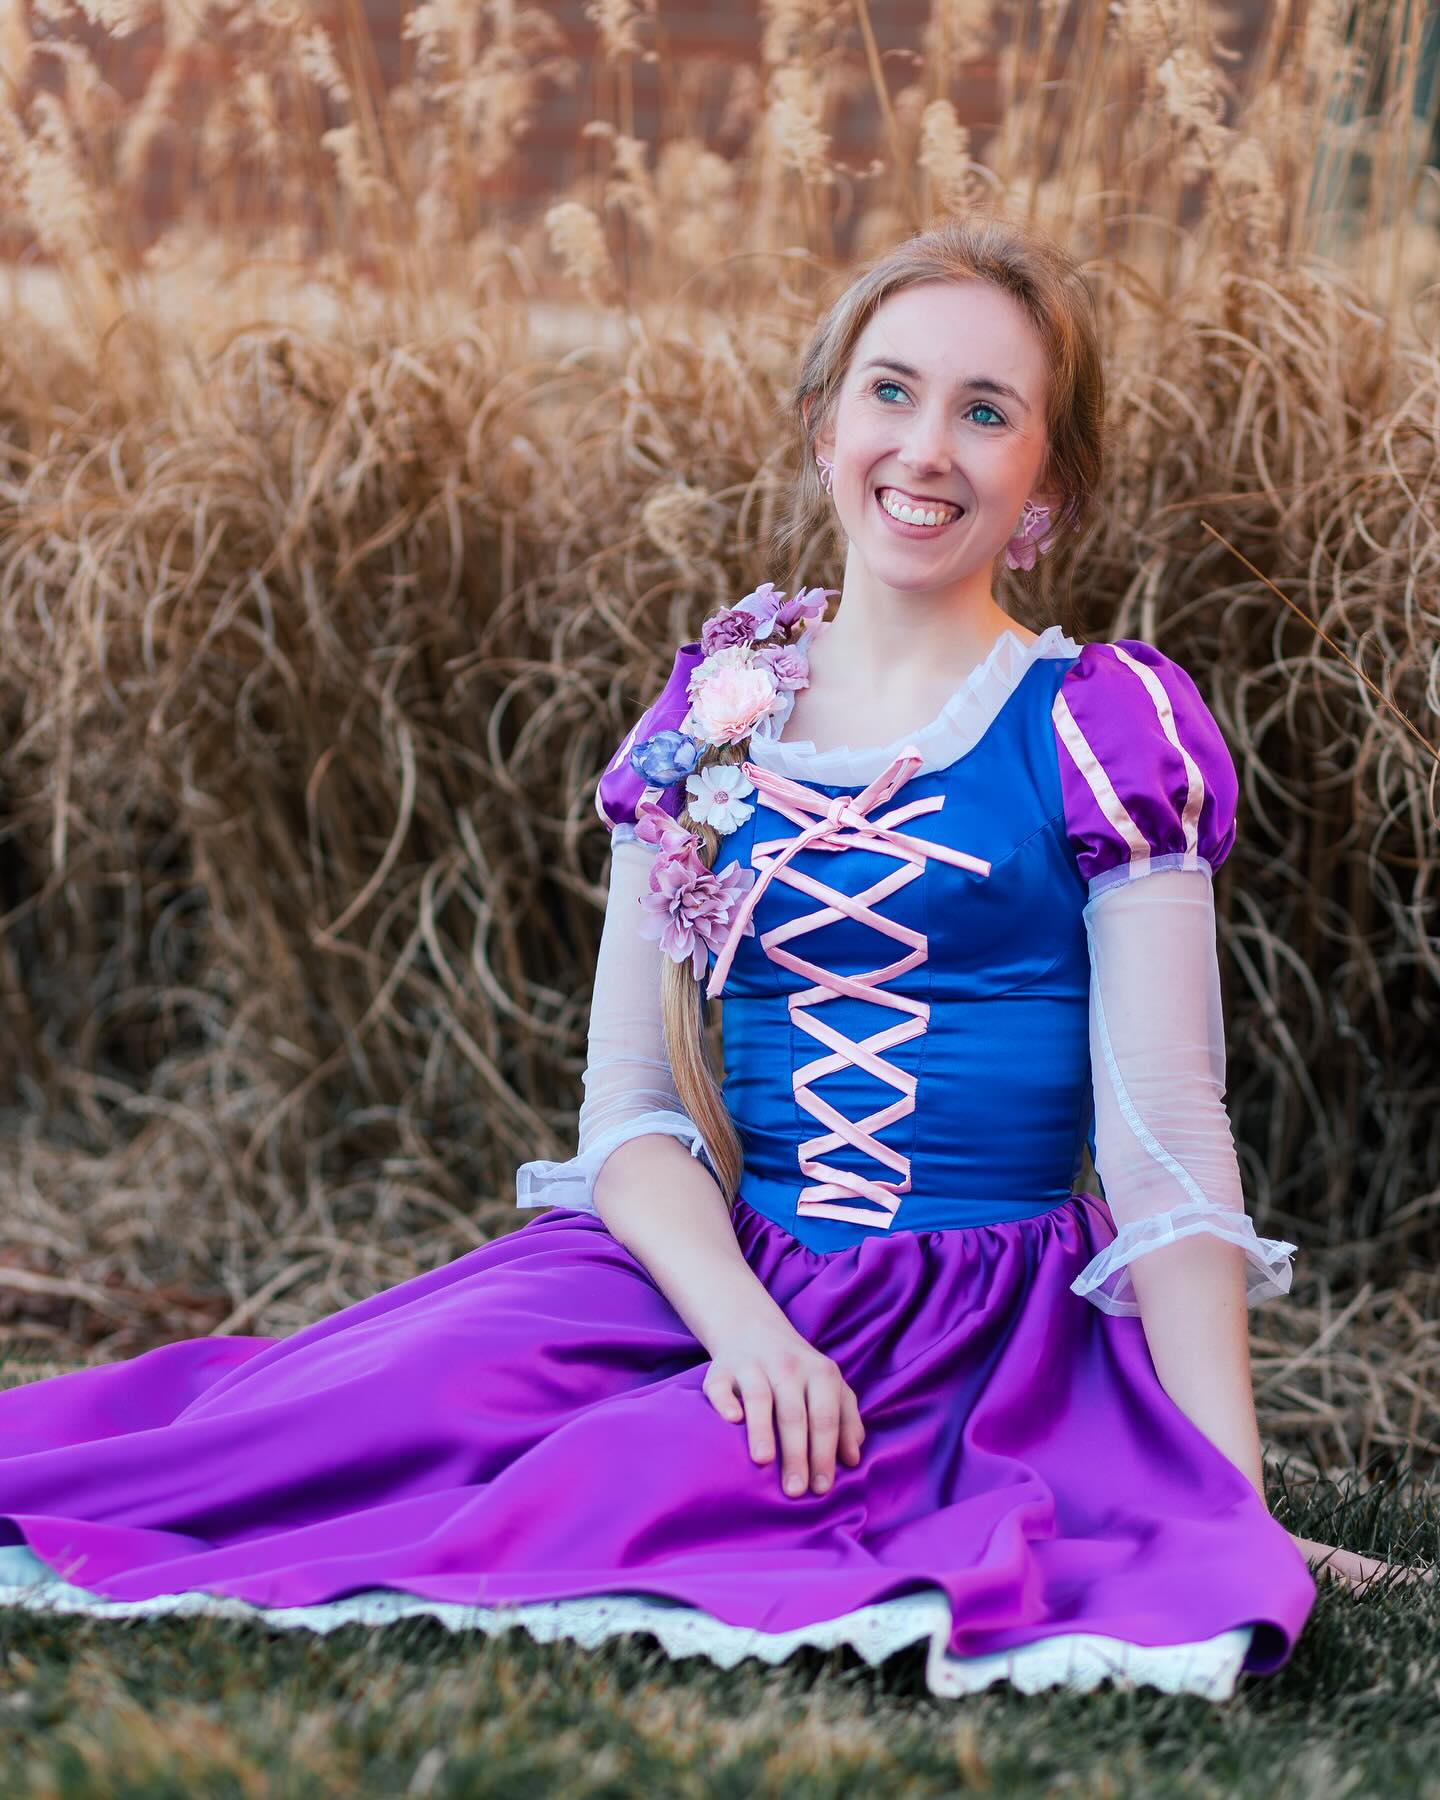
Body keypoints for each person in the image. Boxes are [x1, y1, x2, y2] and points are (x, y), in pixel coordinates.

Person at [0, 217, 1414, 1700]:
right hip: (706, 1276)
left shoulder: (1100, 727)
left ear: (1044, 486)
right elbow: (632, 1109)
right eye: (891, 391)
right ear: (822, 429)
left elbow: (1168, 1143)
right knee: (332, 1432)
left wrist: (1231, 1501)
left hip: (973, 1316)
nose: (927, 448)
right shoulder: (712, 719)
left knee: (668, 1492)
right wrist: (741, 1332)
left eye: (986, 413)